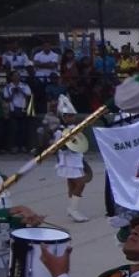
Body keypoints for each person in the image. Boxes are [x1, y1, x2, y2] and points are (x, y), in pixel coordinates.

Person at [54, 94, 90, 222]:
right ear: (63, 117)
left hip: (76, 159)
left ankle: (71, 208)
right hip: (68, 160)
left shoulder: (74, 128)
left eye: (73, 115)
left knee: (72, 184)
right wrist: (67, 142)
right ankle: (73, 209)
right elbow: (59, 147)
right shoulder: (59, 130)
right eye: (69, 116)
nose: (72, 118)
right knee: (80, 183)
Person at [0, 70, 31, 153]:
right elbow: (6, 99)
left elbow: (28, 96)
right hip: (13, 109)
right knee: (14, 129)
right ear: (11, 77)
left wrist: (20, 90)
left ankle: (22, 146)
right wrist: (13, 93)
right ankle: (14, 146)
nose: (17, 77)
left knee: (23, 129)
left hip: (23, 108)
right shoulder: (7, 87)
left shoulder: (24, 85)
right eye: (15, 75)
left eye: (18, 75)